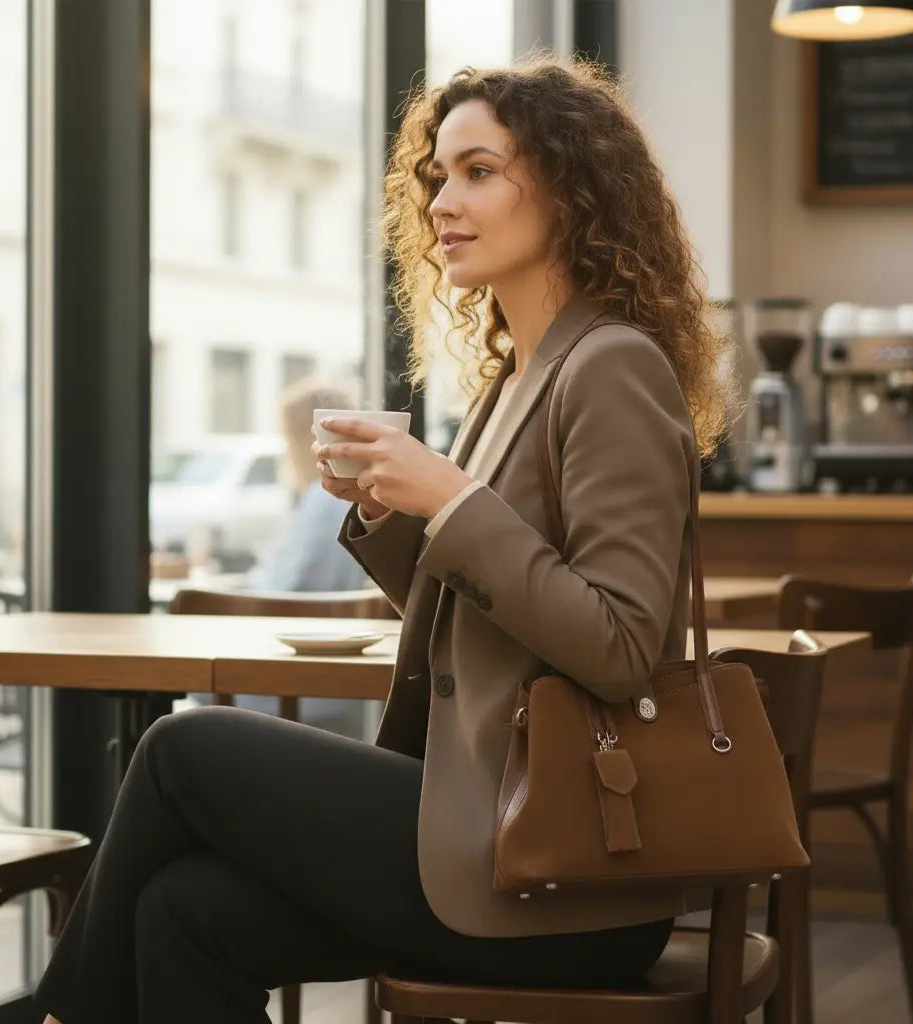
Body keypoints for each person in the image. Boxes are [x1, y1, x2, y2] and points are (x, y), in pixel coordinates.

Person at [36, 55, 730, 1024]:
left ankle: (54, 1015)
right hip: (490, 829)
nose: (444, 199)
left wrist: (451, 501)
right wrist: (396, 512)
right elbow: (494, 623)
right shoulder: (516, 377)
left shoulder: (610, 365)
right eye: (437, 175)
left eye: (479, 170)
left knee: (180, 747)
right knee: (181, 911)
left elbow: (615, 647)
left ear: (573, 188)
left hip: (568, 874)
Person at [244, 377, 370, 594]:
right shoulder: (357, 495)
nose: (286, 451)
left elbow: (288, 586)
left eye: (288, 438)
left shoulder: (324, 499)